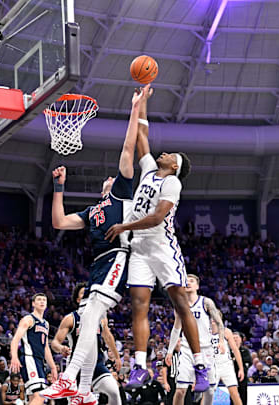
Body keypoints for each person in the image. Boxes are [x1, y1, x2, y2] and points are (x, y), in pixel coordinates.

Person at [41, 86, 148, 405]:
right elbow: (59, 222)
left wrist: (136, 109)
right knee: (88, 321)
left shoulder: (122, 193)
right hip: (98, 265)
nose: (111, 179)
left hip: (118, 257)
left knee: (90, 319)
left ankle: (69, 379)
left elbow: (128, 149)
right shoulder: (92, 211)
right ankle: (84, 392)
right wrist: (59, 187)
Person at [101, 90, 200, 393]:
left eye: (171, 156)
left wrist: (124, 225)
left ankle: (199, 363)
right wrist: (142, 98)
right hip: (139, 248)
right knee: (138, 305)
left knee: (180, 301)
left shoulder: (172, 183)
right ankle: (140, 367)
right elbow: (142, 133)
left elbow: (157, 217)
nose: (165, 153)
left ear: (175, 166)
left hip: (161, 245)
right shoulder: (148, 170)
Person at [49, 283, 123, 405]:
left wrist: (116, 356)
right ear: (79, 300)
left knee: (114, 392)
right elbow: (55, 342)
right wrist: (61, 348)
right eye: (84, 294)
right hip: (77, 367)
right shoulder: (71, 318)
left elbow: (108, 337)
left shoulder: (101, 317)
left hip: (97, 364)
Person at [166, 275, 220, 405]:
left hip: (205, 349)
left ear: (197, 286)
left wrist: (221, 341)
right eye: (186, 281)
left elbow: (219, 323)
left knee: (210, 390)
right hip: (186, 350)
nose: (188, 283)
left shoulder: (206, 302)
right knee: (180, 390)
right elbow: (176, 328)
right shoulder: (180, 305)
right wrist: (169, 351)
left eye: (192, 281)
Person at [9, 293, 57, 403]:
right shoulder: (28, 319)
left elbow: (46, 348)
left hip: (39, 361)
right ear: (33, 304)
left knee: (34, 398)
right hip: (29, 359)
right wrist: (14, 357)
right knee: (41, 395)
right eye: (39, 300)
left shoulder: (46, 324)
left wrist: (53, 367)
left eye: (44, 300)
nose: (42, 302)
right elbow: (15, 340)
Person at [210, 318, 244, 405]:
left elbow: (236, 350)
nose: (213, 319)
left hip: (226, 365)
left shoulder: (226, 331)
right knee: (208, 395)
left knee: (234, 393)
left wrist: (241, 369)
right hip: (212, 366)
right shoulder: (204, 331)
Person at [232, 333, 250, 405]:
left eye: (237, 337)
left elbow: (248, 361)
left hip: (242, 377)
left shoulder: (245, 351)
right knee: (233, 395)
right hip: (232, 376)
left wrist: (235, 361)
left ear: (241, 340)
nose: (235, 339)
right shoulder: (229, 351)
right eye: (233, 338)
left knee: (243, 395)